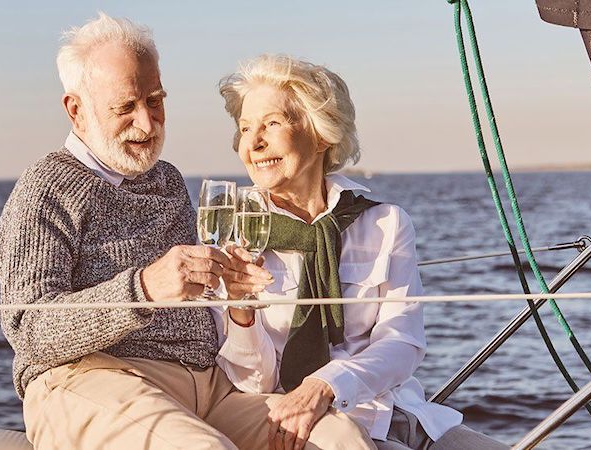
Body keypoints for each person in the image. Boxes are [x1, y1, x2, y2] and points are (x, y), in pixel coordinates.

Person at [0, 13, 375, 450]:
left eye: (155, 100)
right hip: (90, 378)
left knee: (339, 437)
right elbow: (27, 329)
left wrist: (233, 295)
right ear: (76, 110)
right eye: (125, 107)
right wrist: (142, 290)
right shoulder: (46, 188)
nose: (147, 122)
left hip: (205, 386)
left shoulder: (167, 180)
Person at [216, 54, 508, 450]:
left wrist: (329, 383)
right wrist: (241, 311)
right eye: (245, 128)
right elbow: (251, 384)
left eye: (272, 123)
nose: (253, 143)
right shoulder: (229, 231)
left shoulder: (386, 223)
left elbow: (402, 342)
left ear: (321, 135)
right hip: (314, 431)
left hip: (402, 414)